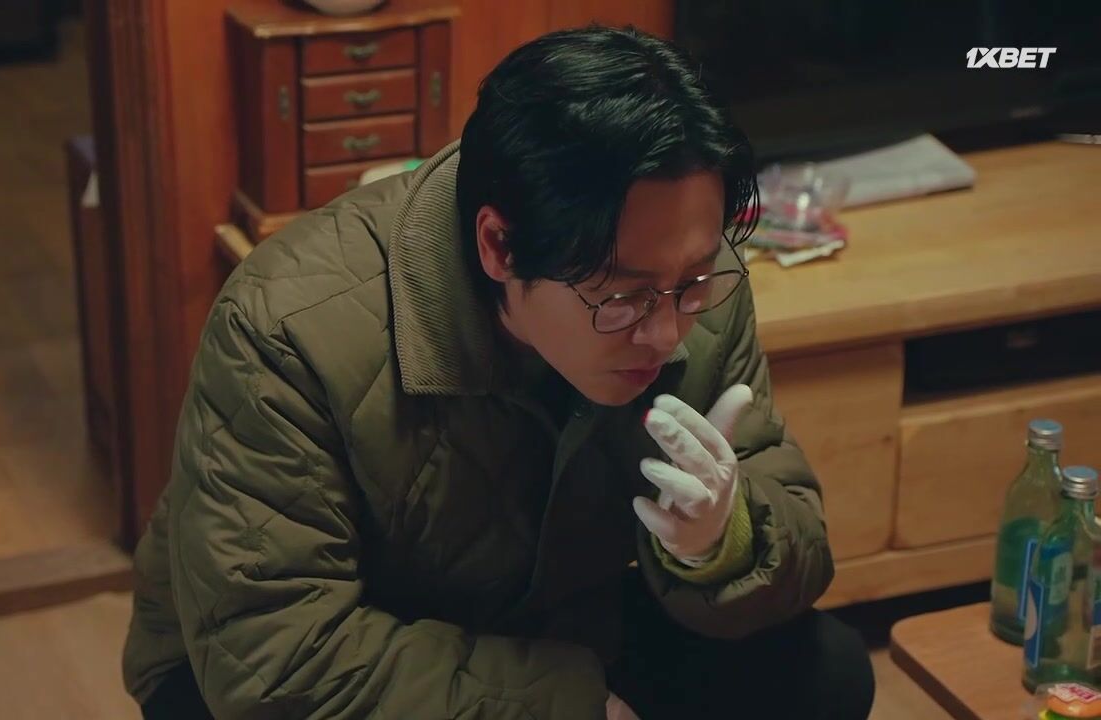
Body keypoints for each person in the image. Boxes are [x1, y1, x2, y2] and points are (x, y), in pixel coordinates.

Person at [122, 25, 875, 720]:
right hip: (293, 657)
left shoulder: (688, 283)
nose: (667, 329)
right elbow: (276, 661)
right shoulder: (287, 329)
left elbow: (792, 533)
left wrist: (721, 540)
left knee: (823, 673)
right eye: (622, 295)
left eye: (694, 278)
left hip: (557, 609)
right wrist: (565, 709)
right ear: (500, 247)